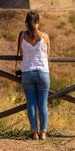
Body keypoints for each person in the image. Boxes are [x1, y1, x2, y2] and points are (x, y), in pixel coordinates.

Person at [18, 11, 50, 140]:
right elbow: (47, 55)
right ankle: (43, 133)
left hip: (27, 73)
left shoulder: (22, 36)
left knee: (31, 104)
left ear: (26, 22)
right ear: (38, 21)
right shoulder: (45, 36)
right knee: (42, 104)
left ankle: (34, 132)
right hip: (43, 72)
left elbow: (22, 54)